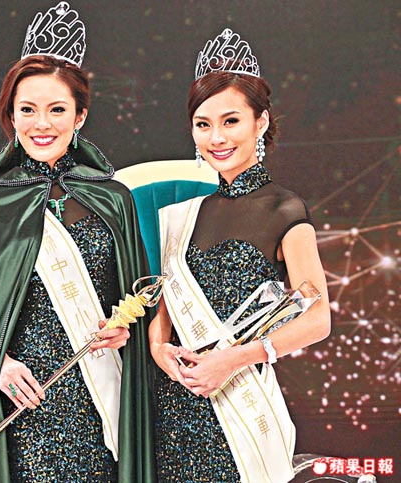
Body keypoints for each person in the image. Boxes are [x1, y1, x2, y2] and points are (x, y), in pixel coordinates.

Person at [0, 3, 155, 482]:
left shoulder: (114, 200)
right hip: (27, 408)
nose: (41, 124)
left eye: (57, 110)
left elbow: (140, 300)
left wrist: (125, 330)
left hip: (104, 401)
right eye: (27, 110)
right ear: (11, 115)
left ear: (80, 116)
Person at [149, 29, 331, 482]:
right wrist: (157, 346)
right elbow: (166, 305)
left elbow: (317, 319)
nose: (216, 137)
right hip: (176, 406)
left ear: (260, 122)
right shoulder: (185, 214)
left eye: (230, 121)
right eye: (203, 124)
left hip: (240, 402)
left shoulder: (284, 209)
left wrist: (231, 361)